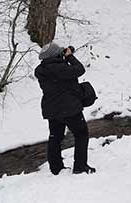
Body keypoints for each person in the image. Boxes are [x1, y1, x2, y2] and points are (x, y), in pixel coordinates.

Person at [35, 42, 95, 175]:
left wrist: (63, 57)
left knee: (55, 136)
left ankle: (56, 168)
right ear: (57, 54)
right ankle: (80, 166)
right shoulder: (62, 68)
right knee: (81, 134)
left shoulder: (40, 70)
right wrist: (69, 57)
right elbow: (80, 69)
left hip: (51, 109)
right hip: (69, 108)